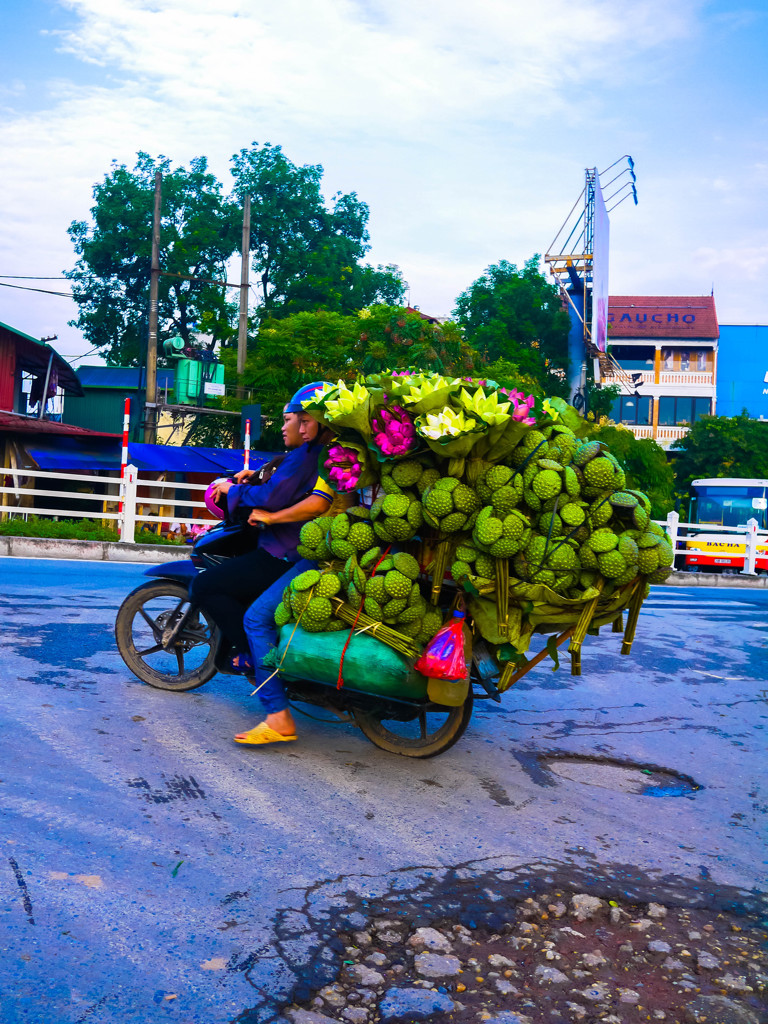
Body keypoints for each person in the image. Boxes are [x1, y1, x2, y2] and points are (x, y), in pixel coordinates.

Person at [188, 383, 336, 672]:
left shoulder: (311, 455)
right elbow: (278, 476)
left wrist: (233, 491)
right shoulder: (310, 454)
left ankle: (250, 656)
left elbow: (275, 496)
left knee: (205, 585)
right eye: (298, 421)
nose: (291, 428)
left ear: (322, 421)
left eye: (297, 420)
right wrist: (250, 477)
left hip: (285, 550)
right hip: (294, 543)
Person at [233, 412, 345, 746]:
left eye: (304, 420)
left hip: (326, 553)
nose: (297, 426)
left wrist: (272, 516)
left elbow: (317, 502)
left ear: (323, 423)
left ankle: (278, 715)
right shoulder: (342, 452)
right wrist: (255, 475)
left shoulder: (338, 455)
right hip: (340, 547)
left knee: (255, 618)